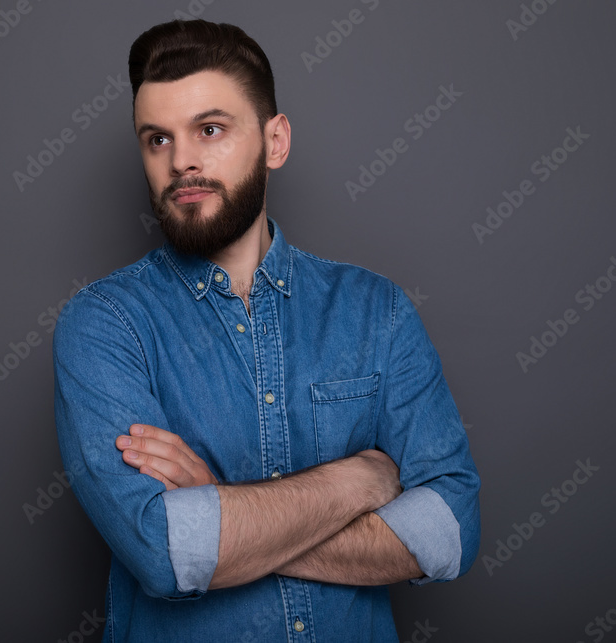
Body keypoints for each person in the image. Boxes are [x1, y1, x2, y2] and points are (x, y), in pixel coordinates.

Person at [53, 19, 480, 643]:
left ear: (274, 141)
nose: (182, 161)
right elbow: (168, 555)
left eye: (210, 129)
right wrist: (360, 479)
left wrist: (223, 507)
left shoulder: (376, 311)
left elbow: (449, 534)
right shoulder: (103, 324)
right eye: (156, 139)